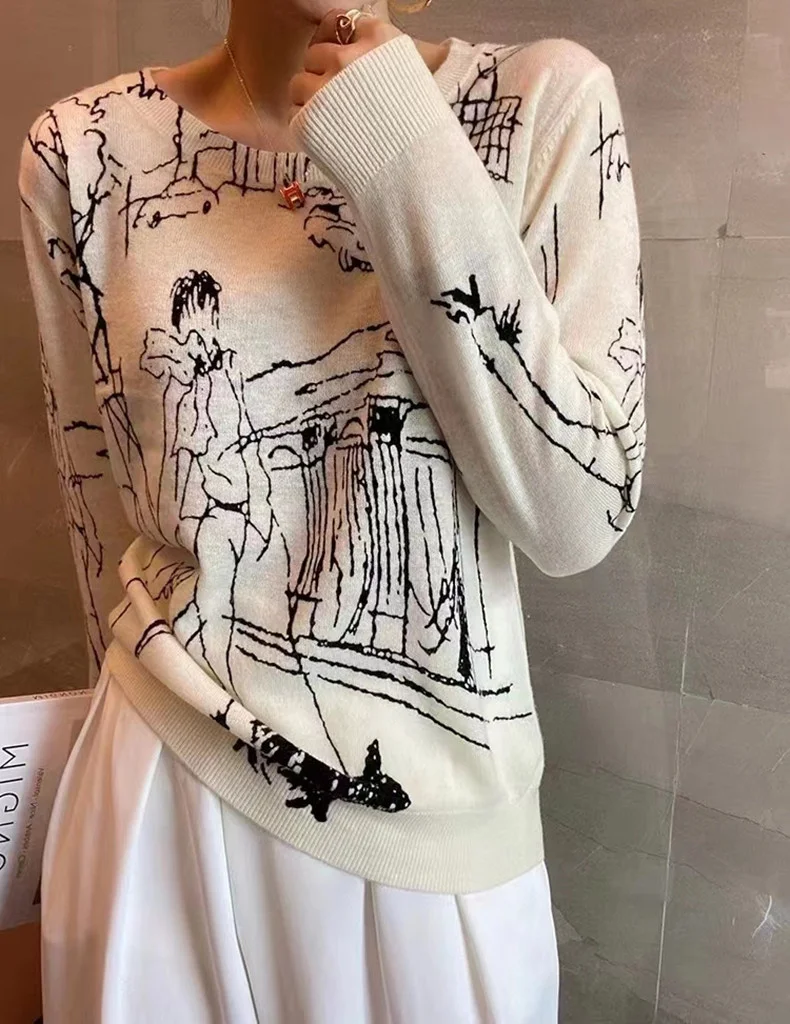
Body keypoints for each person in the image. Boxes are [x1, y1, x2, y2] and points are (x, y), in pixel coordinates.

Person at [18, 0, 646, 1020]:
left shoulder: (543, 101)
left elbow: (576, 515)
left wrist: (397, 140)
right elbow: (99, 510)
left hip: (434, 839)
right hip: (152, 788)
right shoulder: (84, 145)